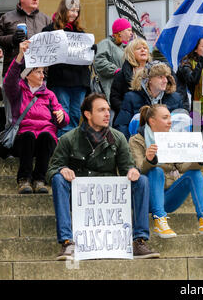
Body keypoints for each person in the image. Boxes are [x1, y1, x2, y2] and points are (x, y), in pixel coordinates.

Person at [46, 93, 159, 261]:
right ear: (87, 114)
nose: (107, 114)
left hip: (109, 199)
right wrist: (62, 169)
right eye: (101, 110)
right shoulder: (68, 139)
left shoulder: (118, 137)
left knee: (141, 180)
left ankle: (139, 240)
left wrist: (132, 171)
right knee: (57, 178)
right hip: (79, 199)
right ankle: (67, 242)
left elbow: (127, 167)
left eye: (108, 109)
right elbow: (50, 171)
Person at [129, 104, 203, 238]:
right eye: (165, 118)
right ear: (152, 121)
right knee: (156, 171)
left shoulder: (172, 138)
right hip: (146, 199)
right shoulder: (136, 140)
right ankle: (160, 220)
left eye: (170, 118)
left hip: (168, 197)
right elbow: (138, 171)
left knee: (194, 173)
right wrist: (149, 160)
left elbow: (183, 167)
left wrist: (200, 158)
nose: (170, 121)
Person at [3, 40, 68, 194]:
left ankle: (39, 179)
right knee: (29, 135)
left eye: (43, 72)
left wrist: (62, 116)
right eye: (38, 72)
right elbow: (9, 81)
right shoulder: (18, 92)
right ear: (27, 75)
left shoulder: (49, 94)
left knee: (46, 136)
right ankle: (24, 179)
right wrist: (20, 55)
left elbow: (64, 121)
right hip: (24, 139)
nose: (42, 75)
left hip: (45, 139)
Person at [42, 0, 91, 137]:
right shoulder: (50, 30)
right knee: (62, 115)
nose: (74, 14)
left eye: (77, 11)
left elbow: (86, 60)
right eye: (71, 10)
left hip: (79, 82)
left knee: (75, 115)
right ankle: (62, 148)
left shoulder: (81, 33)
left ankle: (71, 147)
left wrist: (91, 50)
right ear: (63, 10)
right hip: (60, 81)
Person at [114, 60, 183, 140]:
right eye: (160, 77)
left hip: (167, 144)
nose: (165, 81)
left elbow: (182, 123)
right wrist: (130, 146)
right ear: (149, 80)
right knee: (137, 117)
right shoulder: (131, 98)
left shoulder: (175, 98)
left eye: (166, 77)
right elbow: (122, 125)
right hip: (140, 144)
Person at [0, 0, 51, 78]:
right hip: (14, 74)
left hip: (39, 75)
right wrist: (12, 39)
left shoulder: (46, 19)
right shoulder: (7, 17)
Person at [110, 38, 151, 119]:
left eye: (145, 48)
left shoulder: (155, 71)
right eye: (139, 48)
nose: (143, 50)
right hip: (128, 118)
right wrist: (126, 111)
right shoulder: (121, 74)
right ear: (131, 53)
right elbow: (114, 98)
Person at [94, 18, 133, 101]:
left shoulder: (125, 48)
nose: (131, 33)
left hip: (122, 90)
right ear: (120, 32)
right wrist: (116, 71)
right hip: (109, 89)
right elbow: (99, 62)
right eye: (129, 30)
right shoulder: (106, 43)